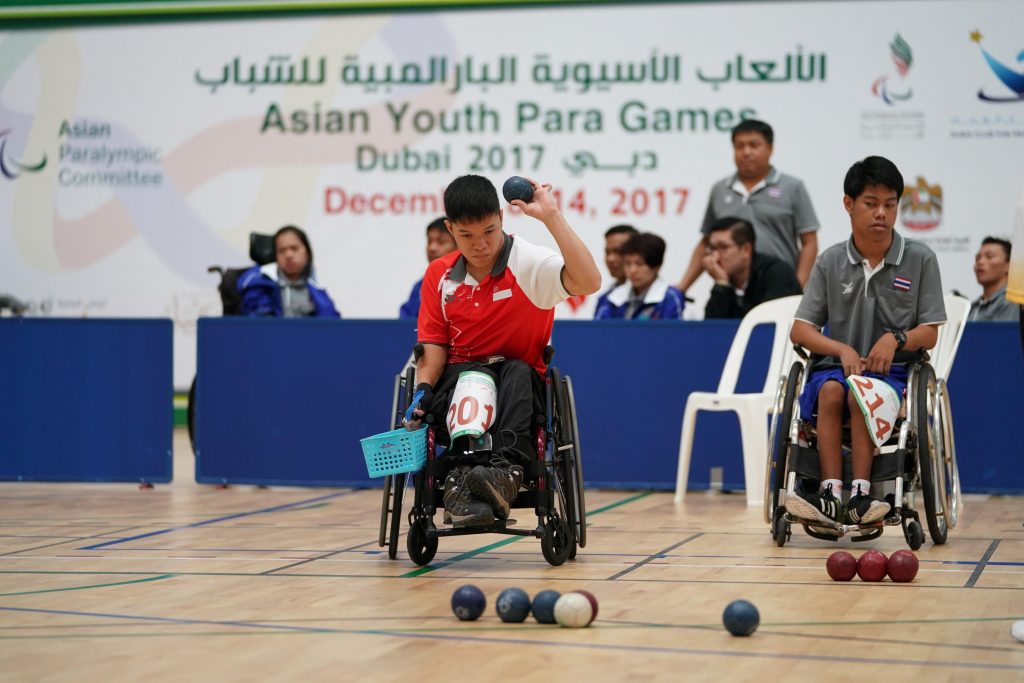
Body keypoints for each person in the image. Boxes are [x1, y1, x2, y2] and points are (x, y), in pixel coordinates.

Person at [408, 175, 601, 528]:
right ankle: (462, 474)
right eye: (466, 235)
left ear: (501, 217)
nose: (480, 245)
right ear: (451, 228)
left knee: (513, 370)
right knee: (471, 377)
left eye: (489, 231)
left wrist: (551, 217)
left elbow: (589, 282)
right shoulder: (440, 274)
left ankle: (504, 474)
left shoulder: (528, 262)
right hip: (458, 381)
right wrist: (422, 391)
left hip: (520, 387)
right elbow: (433, 348)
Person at [784, 156, 946, 528]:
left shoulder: (920, 258)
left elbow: (930, 332)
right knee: (830, 393)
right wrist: (841, 349)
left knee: (862, 395)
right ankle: (828, 492)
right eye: (871, 204)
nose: (881, 214)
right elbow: (801, 330)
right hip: (837, 371)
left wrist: (896, 338)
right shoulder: (830, 260)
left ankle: (860, 492)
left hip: (894, 375)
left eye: (890, 205)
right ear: (849, 204)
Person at [676, 119, 819, 295]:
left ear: (770, 148)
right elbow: (706, 242)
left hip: (778, 285)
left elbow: (809, 242)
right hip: (729, 286)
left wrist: (797, 287)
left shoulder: (792, 187)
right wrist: (682, 288)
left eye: (753, 145)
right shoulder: (720, 190)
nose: (746, 152)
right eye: (739, 146)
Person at [703, 216, 803, 319]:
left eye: (723, 247)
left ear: (746, 249)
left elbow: (766, 324)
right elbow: (711, 329)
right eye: (712, 248)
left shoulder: (778, 274)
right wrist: (721, 284)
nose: (715, 256)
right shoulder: (725, 280)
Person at [237, 225, 340, 317]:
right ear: (275, 256)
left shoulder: (316, 292)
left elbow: (332, 327)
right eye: (282, 251)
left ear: (307, 253)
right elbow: (259, 324)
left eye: (294, 248)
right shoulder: (259, 284)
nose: (288, 255)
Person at [594, 232, 684, 320]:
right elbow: (598, 331)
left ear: (657, 266)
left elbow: (672, 333)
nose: (633, 270)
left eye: (639, 264)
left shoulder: (670, 298)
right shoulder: (610, 298)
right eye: (628, 264)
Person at [399, 217, 457, 319]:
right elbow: (406, 323)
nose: (432, 248)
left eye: (441, 242)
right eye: (430, 241)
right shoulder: (420, 286)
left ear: (459, 246)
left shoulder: (472, 282)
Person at [592, 224, 639, 318]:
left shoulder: (663, 298)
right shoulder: (604, 299)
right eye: (607, 252)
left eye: (618, 251)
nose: (610, 259)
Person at [968, 237, 1019, 322]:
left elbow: (1003, 335)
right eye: (977, 258)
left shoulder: (1012, 302)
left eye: (989, 256)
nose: (980, 262)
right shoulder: (973, 307)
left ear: (1009, 265)